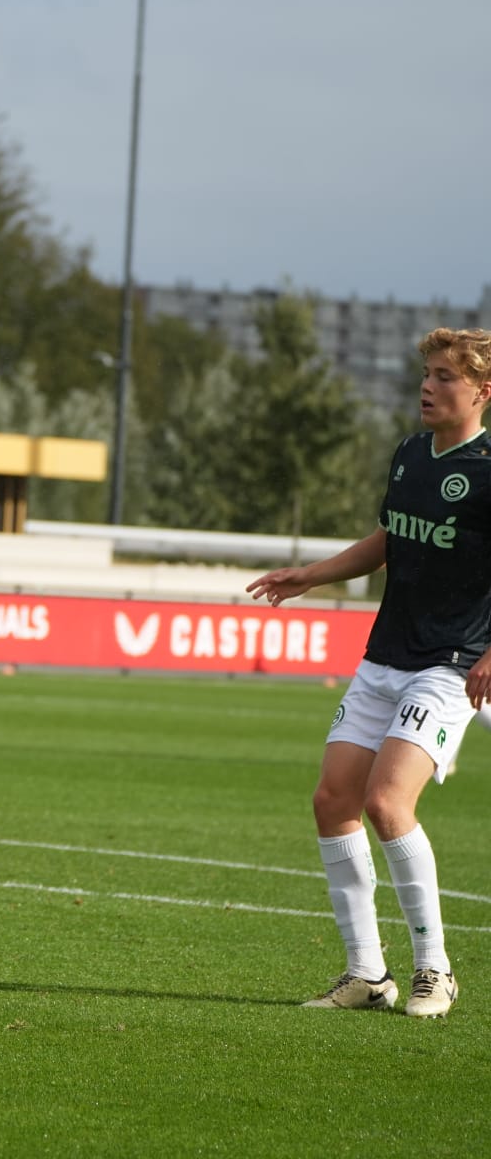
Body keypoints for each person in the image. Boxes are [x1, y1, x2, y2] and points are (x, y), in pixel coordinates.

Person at [246, 326, 491, 1020]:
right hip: (386, 657)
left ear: (482, 391)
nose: (429, 385)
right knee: (333, 801)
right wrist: (311, 576)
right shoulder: (412, 454)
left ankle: (435, 971)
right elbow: (390, 537)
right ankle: (366, 975)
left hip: (448, 666)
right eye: (428, 372)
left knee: (389, 803)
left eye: (447, 375)